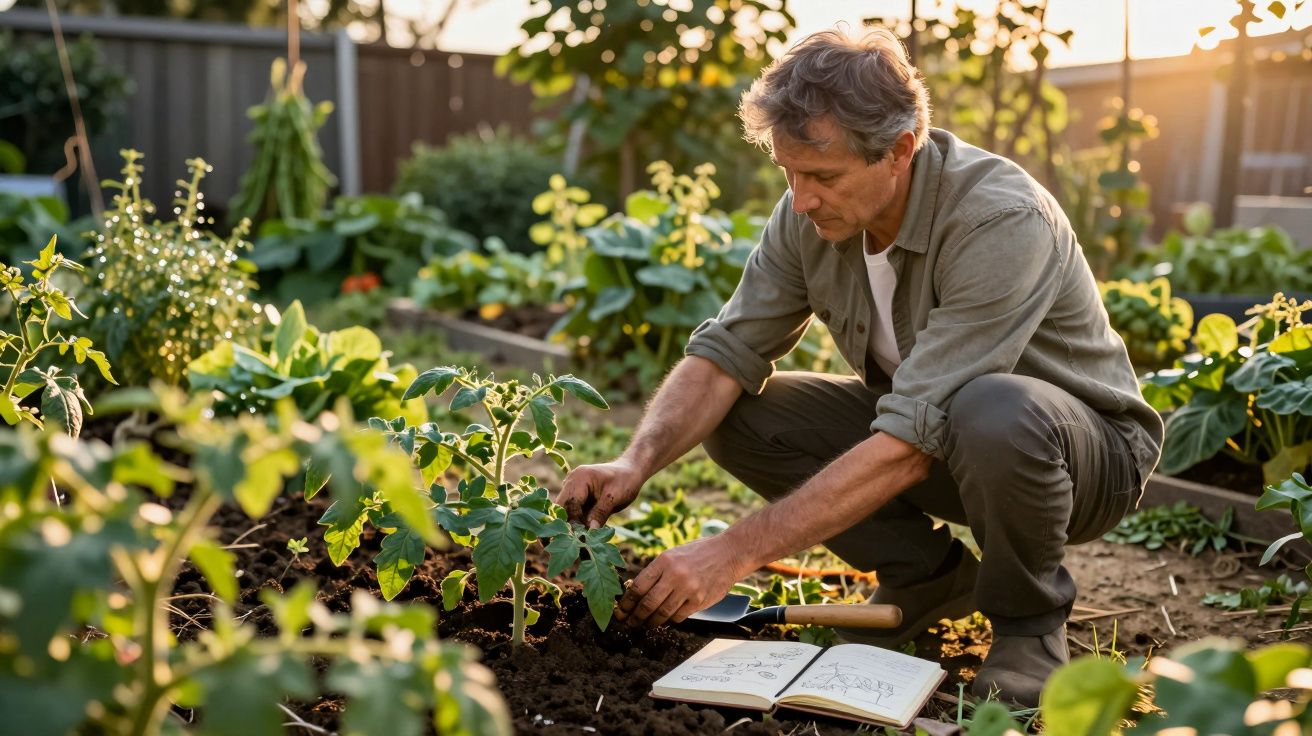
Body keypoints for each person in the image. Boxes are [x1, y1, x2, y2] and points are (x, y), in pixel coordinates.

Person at [555, 27, 1163, 707]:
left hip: (1078, 460)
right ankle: (927, 576)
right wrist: (634, 462)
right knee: (742, 416)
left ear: (900, 149)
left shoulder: (999, 219)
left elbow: (909, 442)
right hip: (946, 441)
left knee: (992, 407)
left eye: (823, 176)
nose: (801, 198)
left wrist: (730, 553)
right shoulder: (810, 216)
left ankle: (1029, 626)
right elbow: (728, 350)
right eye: (789, 173)